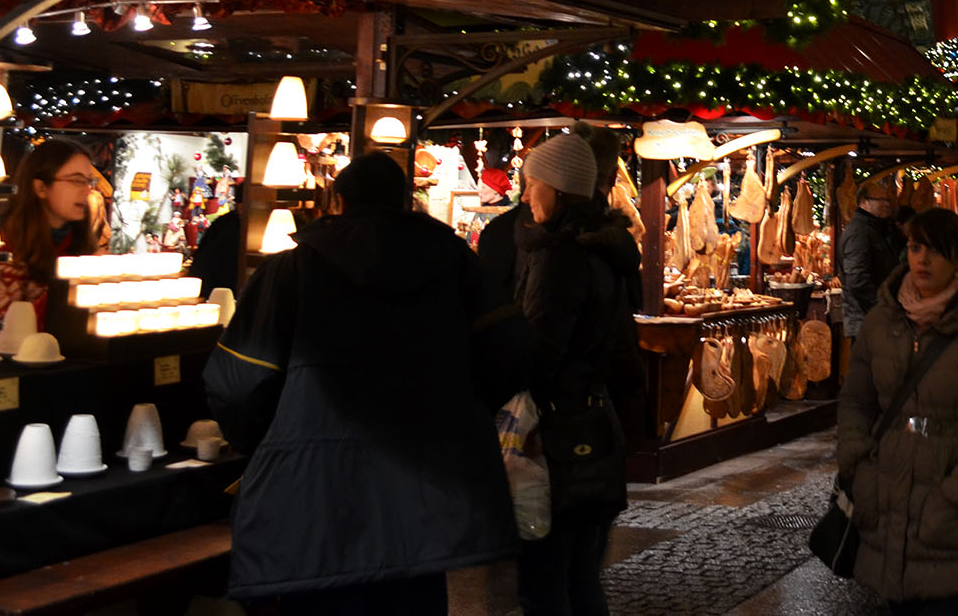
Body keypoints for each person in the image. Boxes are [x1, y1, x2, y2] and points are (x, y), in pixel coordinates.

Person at [205, 153, 533, 615]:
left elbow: (238, 383)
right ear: (405, 201)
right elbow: (512, 350)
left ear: (336, 202)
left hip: (315, 496)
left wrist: (276, 439)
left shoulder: (289, 272)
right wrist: (459, 410)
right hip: (426, 495)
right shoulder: (454, 264)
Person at [837, 206, 958, 616]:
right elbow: (855, 402)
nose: (922, 259)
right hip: (887, 506)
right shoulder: (882, 322)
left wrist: (956, 494)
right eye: (916, 247)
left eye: (935, 250)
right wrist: (860, 471)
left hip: (954, 519)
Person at [513, 134, 641, 616]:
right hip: (597, 426)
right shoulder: (607, 252)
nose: (527, 196)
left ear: (560, 191)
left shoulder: (560, 256)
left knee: (545, 584)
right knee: (582, 578)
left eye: (533, 185)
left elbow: (540, 349)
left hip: (557, 436)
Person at [0, 139, 98, 322]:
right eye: (77, 181)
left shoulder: (79, 247)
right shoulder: (4, 252)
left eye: (90, 181)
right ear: (41, 188)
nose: (87, 190)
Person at [839, 184, 905, 351]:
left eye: (887, 200)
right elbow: (857, 280)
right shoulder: (859, 233)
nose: (886, 204)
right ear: (864, 202)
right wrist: (881, 306)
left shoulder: (875, 230)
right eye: (880, 200)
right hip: (866, 319)